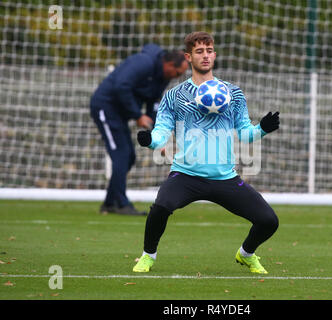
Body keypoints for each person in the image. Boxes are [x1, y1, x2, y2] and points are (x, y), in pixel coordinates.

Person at [134, 32, 280, 274]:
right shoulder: (174, 96)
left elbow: (244, 133)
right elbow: (161, 132)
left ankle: (246, 254)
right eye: (199, 51)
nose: (205, 55)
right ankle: (148, 256)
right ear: (188, 57)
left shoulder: (233, 93)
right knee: (161, 207)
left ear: (215, 54)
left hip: (224, 177)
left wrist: (262, 129)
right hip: (186, 174)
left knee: (269, 221)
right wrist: (150, 141)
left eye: (209, 50)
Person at [90, 44, 189, 216]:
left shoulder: (162, 77)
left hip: (119, 114)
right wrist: (137, 115)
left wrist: (158, 137)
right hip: (104, 108)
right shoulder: (143, 62)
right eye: (178, 73)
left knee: (129, 156)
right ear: (170, 64)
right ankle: (121, 204)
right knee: (121, 154)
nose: (177, 77)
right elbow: (121, 86)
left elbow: (154, 105)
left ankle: (110, 202)